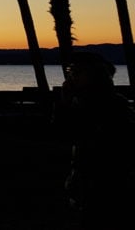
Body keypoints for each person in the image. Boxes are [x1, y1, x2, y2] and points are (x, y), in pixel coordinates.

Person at [55, 52, 135, 230]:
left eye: (75, 72)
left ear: (92, 76)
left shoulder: (108, 107)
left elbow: (67, 134)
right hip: (92, 184)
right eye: (71, 72)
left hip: (106, 186)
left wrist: (65, 105)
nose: (70, 77)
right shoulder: (88, 103)